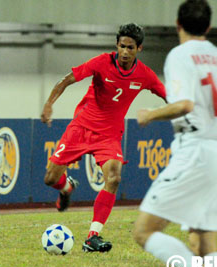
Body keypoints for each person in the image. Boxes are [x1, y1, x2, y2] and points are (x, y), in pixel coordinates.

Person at [133, 0, 217, 267]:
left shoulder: (181, 56)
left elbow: (184, 105)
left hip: (196, 153)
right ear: (209, 26)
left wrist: (150, 114)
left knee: (144, 231)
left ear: (177, 24)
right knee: (204, 244)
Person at [41, 23, 166, 253]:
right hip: (81, 128)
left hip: (109, 135)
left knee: (114, 177)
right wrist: (49, 104)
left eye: (130, 47)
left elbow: (169, 96)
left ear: (139, 48)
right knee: (50, 178)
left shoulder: (145, 75)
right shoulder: (101, 63)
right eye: (122, 46)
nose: (125, 52)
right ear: (116, 45)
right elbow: (68, 79)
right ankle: (67, 187)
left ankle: (93, 236)